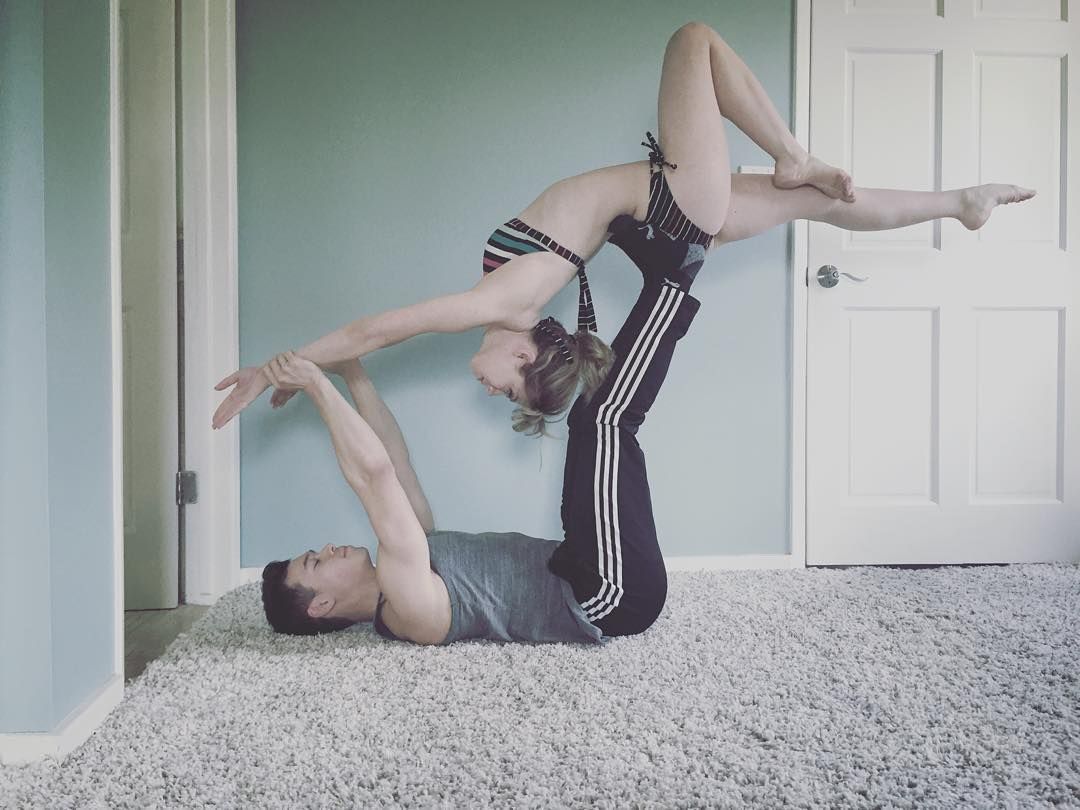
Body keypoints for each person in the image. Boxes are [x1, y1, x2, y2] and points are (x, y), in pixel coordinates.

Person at [213, 22, 1034, 436]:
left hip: (676, 217)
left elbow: (374, 331)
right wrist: (294, 364)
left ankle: (958, 202)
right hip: (674, 204)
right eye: (507, 390)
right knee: (694, 41)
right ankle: (792, 155)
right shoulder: (505, 302)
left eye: (505, 391)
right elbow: (378, 330)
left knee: (826, 203)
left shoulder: (502, 301)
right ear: (525, 352)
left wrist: (291, 364)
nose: (489, 387)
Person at [260, 214, 705, 642]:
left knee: (590, 419)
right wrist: (316, 385)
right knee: (604, 420)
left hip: (583, 562)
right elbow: (373, 476)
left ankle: (664, 282)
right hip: (612, 594)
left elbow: (394, 462)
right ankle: (672, 280)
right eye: (316, 562)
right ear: (321, 606)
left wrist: (351, 370)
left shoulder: (414, 553)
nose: (328, 547)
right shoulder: (407, 605)